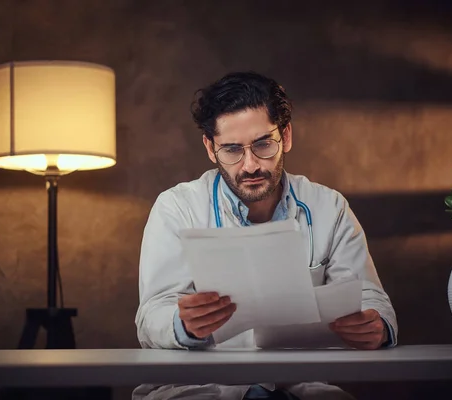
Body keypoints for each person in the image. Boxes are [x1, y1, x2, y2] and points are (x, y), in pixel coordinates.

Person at [134, 72, 398, 400]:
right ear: (209, 148)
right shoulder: (176, 207)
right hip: (201, 386)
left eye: (262, 144)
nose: (250, 165)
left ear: (285, 135)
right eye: (231, 150)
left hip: (298, 384)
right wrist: (182, 324)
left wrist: (377, 326)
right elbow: (152, 314)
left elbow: (371, 299)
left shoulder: (328, 206)